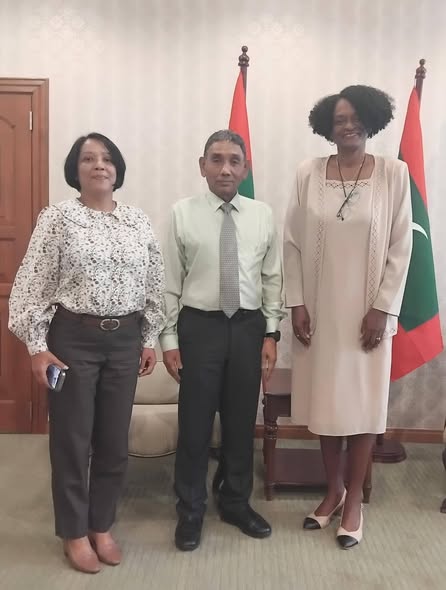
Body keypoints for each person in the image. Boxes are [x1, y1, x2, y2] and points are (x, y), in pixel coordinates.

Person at [8, 132, 166, 573]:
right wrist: (37, 348)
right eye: (88, 159)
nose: (99, 165)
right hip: (72, 340)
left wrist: (148, 337)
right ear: (74, 170)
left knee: (114, 441)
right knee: (72, 441)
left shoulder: (137, 220)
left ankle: (101, 525)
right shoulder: (57, 218)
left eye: (107, 158)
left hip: (125, 341)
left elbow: (154, 281)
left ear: (118, 169)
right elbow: (32, 284)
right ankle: (74, 532)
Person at [283, 86, 412, 549]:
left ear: (371, 120)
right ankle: (333, 490)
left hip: (367, 320)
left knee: (361, 409)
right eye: (340, 118)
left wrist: (382, 308)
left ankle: (354, 499)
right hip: (319, 314)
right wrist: (297, 302)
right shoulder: (308, 172)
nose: (348, 124)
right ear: (327, 125)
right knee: (326, 406)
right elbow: (292, 243)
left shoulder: (394, 173)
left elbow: (401, 245)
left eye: (356, 117)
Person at [160, 129, 285, 551]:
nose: (225, 168)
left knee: (239, 422)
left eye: (234, 161)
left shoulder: (262, 215)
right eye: (216, 159)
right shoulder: (181, 214)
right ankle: (190, 509)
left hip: (248, 328)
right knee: (195, 425)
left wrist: (271, 333)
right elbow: (169, 283)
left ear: (246, 168)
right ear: (202, 166)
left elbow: (272, 278)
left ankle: (234, 502)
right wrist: (169, 340)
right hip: (200, 328)